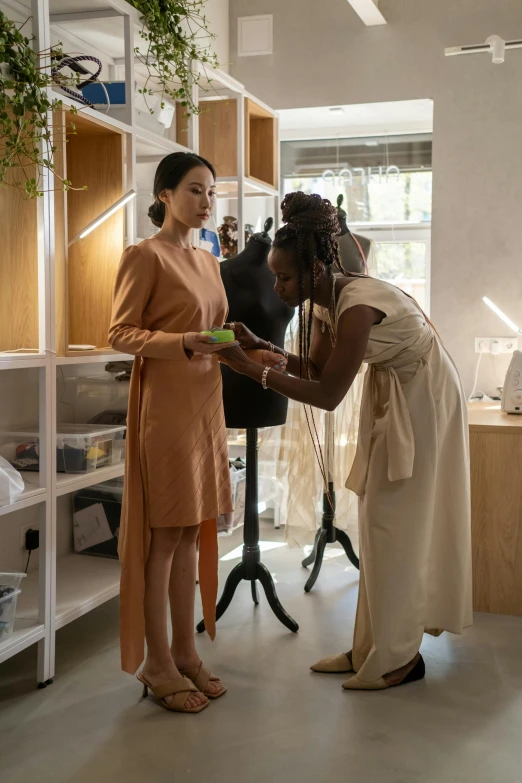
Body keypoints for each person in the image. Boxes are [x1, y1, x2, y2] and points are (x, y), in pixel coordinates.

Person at [219, 191, 472, 691]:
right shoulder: (322, 303)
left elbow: (329, 394)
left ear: (316, 268)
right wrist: (264, 349)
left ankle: (399, 657)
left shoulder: (357, 305)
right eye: (275, 276)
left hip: (424, 401)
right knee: (380, 526)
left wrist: (251, 371)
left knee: (394, 525)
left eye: (285, 277)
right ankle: (369, 649)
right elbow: (315, 368)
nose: (277, 286)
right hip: (395, 396)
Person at [108, 153, 235, 714]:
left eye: (211, 192)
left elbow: (215, 329)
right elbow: (120, 331)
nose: (206, 202)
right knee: (163, 538)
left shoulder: (209, 261)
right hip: (165, 406)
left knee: (190, 533)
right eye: (194, 190)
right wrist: (181, 342)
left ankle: (185, 651)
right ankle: (155, 661)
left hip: (207, 405)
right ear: (163, 195)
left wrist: (239, 342)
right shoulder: (144, 255)